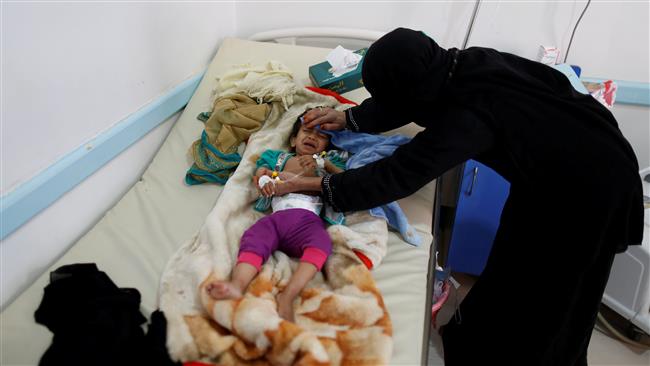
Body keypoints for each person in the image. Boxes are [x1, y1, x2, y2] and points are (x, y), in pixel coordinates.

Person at [274, 28, 644, 365]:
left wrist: (320, 186)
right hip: (560, 169)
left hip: (588, 192)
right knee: (511, 263)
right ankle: (474, 343)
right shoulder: (460, 65)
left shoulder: (467, 117)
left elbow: (398, 174)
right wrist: (350, 119)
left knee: (551, 300)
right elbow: (404, 97)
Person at [206, 110, 345, 322]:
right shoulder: (278, 158)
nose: (312, 137)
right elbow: (260, 172)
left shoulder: (325, 162)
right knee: (254, 236)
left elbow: (346, 181)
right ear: (292, 139)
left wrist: (323, 164)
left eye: (321, 136)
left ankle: (288, 296)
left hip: (307, 221)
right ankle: (237, 285)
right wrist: (263, 179)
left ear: (327, 146)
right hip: (276, 219)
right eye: (306, 131)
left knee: (322, 243)